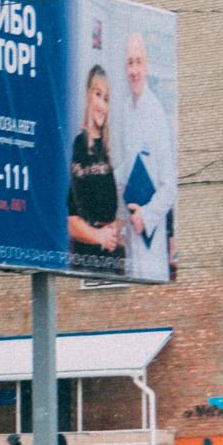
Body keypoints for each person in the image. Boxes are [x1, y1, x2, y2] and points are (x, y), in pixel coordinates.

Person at [113, 32, 177, 283]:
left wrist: (147, 216)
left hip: (150, 231)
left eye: (138, 62)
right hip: (130, 223)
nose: (134, 70)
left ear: (147, 66)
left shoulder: (156, 113)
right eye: (130, 63)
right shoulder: (128, 108)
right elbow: (130, 166)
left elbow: (170, 186)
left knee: (148, 284)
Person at [67, 63, 123, 276]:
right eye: (98, 95)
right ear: (88, 97)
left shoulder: (107, 149)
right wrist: (99, 236)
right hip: (87, 260)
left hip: (111, 260)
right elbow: (71, 219)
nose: (102, 104)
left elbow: (114, 209)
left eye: (106, 99)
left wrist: (116, 227)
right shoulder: (79, 146)